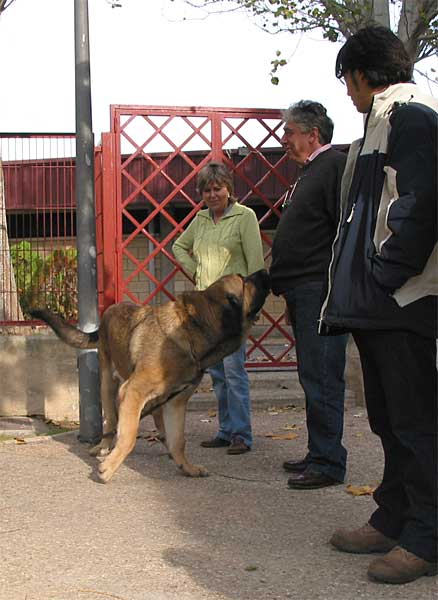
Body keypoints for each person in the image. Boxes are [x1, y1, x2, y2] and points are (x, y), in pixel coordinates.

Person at [319, 26, 437, 584]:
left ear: (363, 74)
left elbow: (419, 204)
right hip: (378, 303)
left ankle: (428, 537)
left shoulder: (412, 115)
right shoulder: (381, 121)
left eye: (346, 78)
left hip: (403, 301)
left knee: (417, 424)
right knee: (390, 421)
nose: (346, 90)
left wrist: (385, 275)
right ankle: (394, 516)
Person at [270, 101, 348, 490]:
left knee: (321, 375)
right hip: (303, 290)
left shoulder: (331, 166)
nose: (284, 139)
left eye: (289, 132)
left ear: (311, 134)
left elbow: (341, 231)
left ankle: (328, 462)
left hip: (319, 289)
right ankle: (320, 450)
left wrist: (331, 289)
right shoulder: (308, 173)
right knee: (310, 374)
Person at [172, 161, 265, 455]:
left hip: (232, 309)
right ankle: (225, 430)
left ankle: (242, 434)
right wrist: (196, 269)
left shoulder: (244, 217)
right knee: (217, 374)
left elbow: (256, 267)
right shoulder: (200, 220)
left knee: (234, 371)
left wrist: (252, 305)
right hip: (204, 310)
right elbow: (177, 246)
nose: (213, 195)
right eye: (207, 190)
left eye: (218, 188)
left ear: (229, 189)